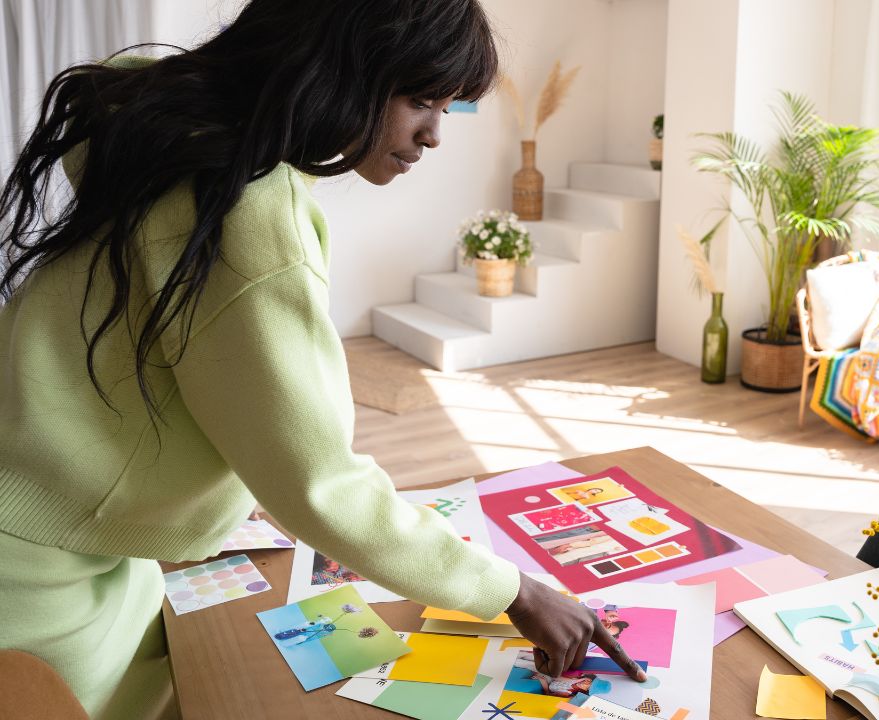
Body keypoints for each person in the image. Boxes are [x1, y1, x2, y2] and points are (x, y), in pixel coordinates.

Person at [0, 2, 642, 718]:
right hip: (35, 579)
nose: (434, 134)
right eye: (421, 100)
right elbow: (322, 484)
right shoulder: (243, 214)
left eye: (448, 107)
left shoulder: (178, 137)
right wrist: (515, 591)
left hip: (76, 536)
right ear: (340, 67)